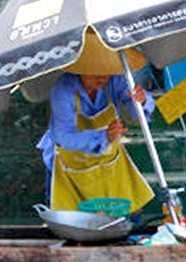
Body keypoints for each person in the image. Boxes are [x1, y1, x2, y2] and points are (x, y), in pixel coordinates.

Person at [37, 72, 156, 213]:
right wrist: (103, 136)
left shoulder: (115, 79)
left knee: (121, 218)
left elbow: (136, 112)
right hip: (68, 167)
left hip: (109, 166)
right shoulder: (63, 88)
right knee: (71, 222)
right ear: (80, 70)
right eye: (93, 72)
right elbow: (63, 136)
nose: (101, 76)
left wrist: (142, 100)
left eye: (105, 71)